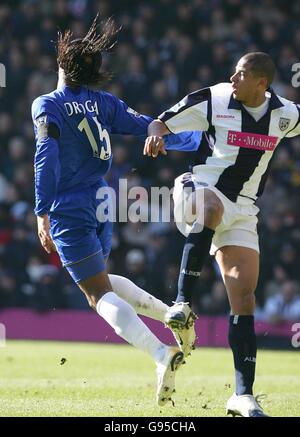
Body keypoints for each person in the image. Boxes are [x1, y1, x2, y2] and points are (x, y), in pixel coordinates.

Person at [32, 15, 201, 407]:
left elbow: (46, 153)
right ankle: (170, 313)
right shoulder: (104, 102)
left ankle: (162, 354)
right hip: (104, 200)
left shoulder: (48, 105)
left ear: (61, 65)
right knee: (102, 280)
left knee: (96, 295)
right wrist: (190, 139)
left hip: (70, 207)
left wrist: (41, 211)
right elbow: (147, 126)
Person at [144, 51, 300, 417]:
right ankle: (182, 303)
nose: (233, 78)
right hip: (198, 189)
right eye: (233, 72)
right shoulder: (214, 99)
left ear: (262, 83)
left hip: (243, 210)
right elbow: (161, 121)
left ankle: (242, 395)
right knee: (211, 206)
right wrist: (155, 136)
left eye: (241, 73)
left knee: (244, 296)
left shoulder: (285, 114)